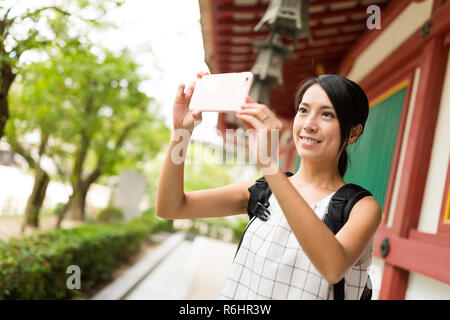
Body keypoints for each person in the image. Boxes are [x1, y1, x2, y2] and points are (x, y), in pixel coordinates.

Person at [156, 72, 382, 300]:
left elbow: (333, 268)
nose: (309, 124)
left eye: (327, 114)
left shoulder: (361, 208)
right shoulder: (263, 190)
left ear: (353, 133)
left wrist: (270, 166)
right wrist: (181, 132)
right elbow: (171, 207)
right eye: (303, 110)